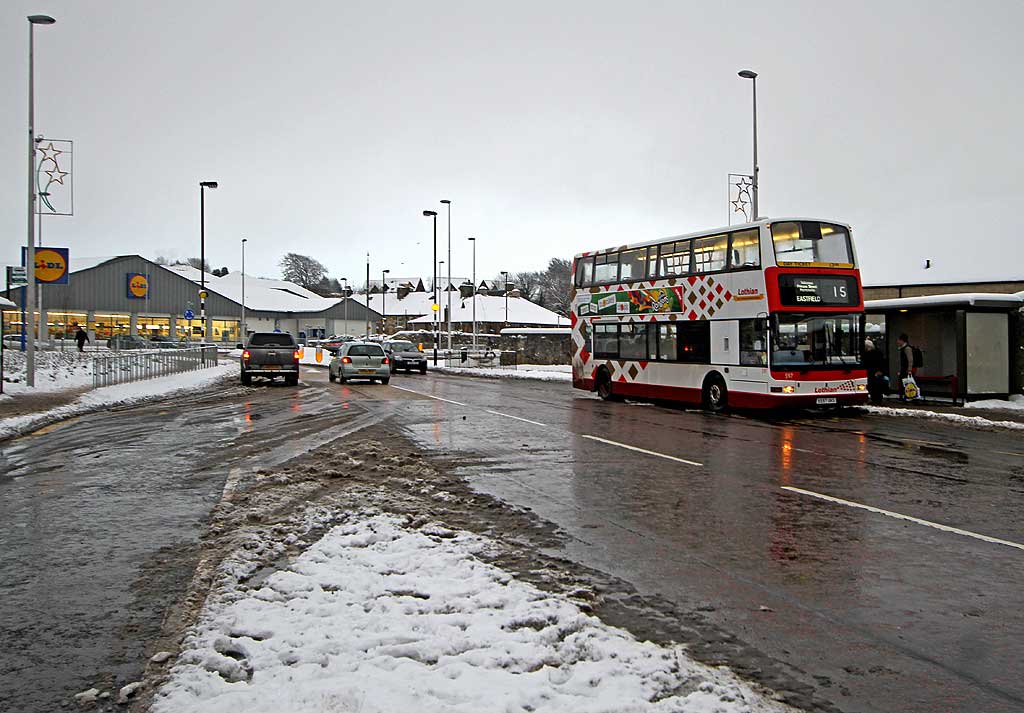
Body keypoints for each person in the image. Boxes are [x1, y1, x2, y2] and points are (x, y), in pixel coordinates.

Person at [863, 337, 887, 404]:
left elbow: (881, 362)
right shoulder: (877, 352)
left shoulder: (872, 353)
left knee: (875, 387)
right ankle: (876, 399)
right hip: (874, 372)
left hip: (874, 372)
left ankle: (876, 400)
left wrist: (881, 371)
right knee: (874, 387)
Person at [896, 333, 918, 400]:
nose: (897, 342)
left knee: (907, 383)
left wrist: (909, 369)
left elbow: (910, 359)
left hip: (906, 369)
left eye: (898, 340)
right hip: (905, 369)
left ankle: (909, 397)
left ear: (902, 340)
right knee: (905, 382)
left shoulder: (907, 348)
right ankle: (906, 396)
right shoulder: (903, 348)